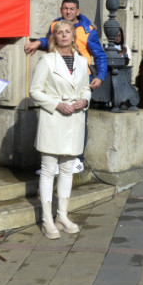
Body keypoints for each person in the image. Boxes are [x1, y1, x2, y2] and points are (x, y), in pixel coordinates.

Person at [29, 20, 91, 239]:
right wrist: (57, 104)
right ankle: (47, 220)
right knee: (48, 170)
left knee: (67, 169)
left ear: (74, 36)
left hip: (74, 119)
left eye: (67, 32)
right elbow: (34, 91)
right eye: (59, 33)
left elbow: (85, 89)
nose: (64, 35)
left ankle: (62, 215)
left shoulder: (83, 62)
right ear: (54, 37)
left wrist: (85, 100)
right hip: (54, 118)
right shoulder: (46, 61)